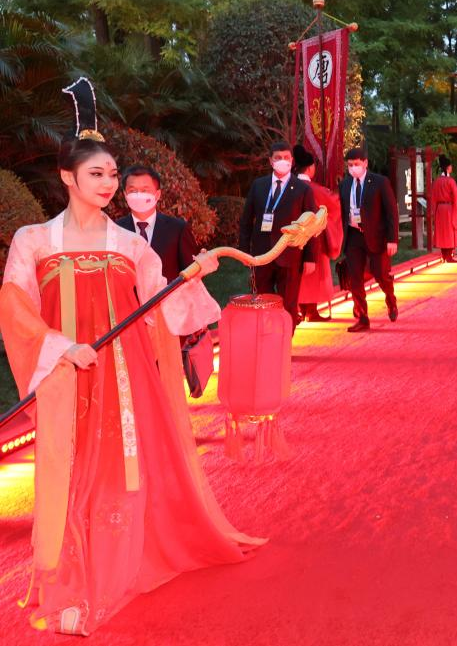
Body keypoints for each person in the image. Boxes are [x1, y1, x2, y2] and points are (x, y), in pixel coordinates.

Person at [0, 116, 265, 634]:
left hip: (123, 376)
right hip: (64, 375)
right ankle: (70, 574)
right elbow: (15, 310)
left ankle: (111, 568)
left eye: (112, 174)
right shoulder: (34, 240)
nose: (109, 184)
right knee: (70, 471)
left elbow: (160, 305)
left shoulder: (129, 245)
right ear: (67, 177)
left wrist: (193, 278)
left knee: (119, 470)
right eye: (96, 174)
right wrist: (61, 347)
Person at [238, 142, 318, 331]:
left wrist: (310, 258)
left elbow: (311, 226)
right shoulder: (259, 186)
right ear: (270, 161)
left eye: (286, 157)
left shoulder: (303, 189)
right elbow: (246, 221)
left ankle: (285, 341)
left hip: (290, 256)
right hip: (262, 255)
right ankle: (267, 337)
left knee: (288, 304)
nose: (282, 161)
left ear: (292, 160)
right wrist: (244, 252)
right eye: (278, 158)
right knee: (262, 301)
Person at [338, 147, 399, 333]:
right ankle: (362, 317)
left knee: (380, 274)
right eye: (350, 165)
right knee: (354, 277)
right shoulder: (345, 184)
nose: (353, 168)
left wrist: (392, 239)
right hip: (353, 236)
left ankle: (390, 298)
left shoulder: (380, 182)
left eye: (356, 164)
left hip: (376, 236)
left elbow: (391, 212)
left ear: (365, 163)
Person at [114, 165, 200, 284]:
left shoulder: (178, 229)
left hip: (168, 295)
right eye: (133, 190)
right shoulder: (115, 229)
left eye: (145, 190)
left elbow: (192, 275)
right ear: (125, 194)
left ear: (157, 194)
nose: (139, 195)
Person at [292, 144, 342, 323]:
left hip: (292, 237)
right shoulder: (314, 189)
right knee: (313, 275)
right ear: (310, 168)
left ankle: (298, 309)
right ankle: (311, 311)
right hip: (313, 238)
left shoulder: (290, 186)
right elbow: (334, 203)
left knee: (296, 275)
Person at [428, 155, 457, 263]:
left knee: (442, 232)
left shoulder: (437, 181)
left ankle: (444, 255)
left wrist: (434, 211)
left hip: (439, 209)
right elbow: (456, 196)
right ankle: (449, 256)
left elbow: (433, 197)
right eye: (451, 166)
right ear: (448, 167)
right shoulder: (450, 181)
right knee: (450, 231)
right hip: (449, 209)